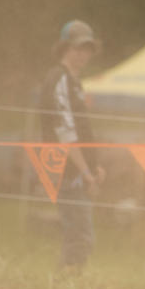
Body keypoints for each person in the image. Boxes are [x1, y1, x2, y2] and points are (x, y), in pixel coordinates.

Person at [40, 20, 106, 272]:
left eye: (87, 48)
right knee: (79, 235)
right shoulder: (59, 79)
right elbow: (64, 132)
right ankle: (64, 287)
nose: (82, 54)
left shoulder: (74, 82)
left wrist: (94, 165)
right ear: (64, 48)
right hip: (65, 169)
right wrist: (86, 172)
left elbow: (82, 129)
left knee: (79, 233)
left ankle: (66, 285)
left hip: (77, 168)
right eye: (77, 48)